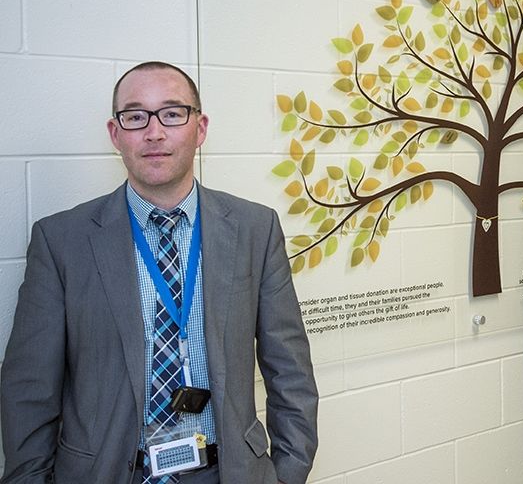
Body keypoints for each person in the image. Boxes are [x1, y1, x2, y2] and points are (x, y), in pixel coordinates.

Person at [1, 62, 318, 484]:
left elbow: (290, 370)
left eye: (172, 114)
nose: (154, 132)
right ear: (116, 134)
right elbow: (28, 393)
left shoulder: (255, 229)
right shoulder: (61, 241)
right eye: (135, 117)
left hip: (227, 472)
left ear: (200, 128)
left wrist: (287, 474)